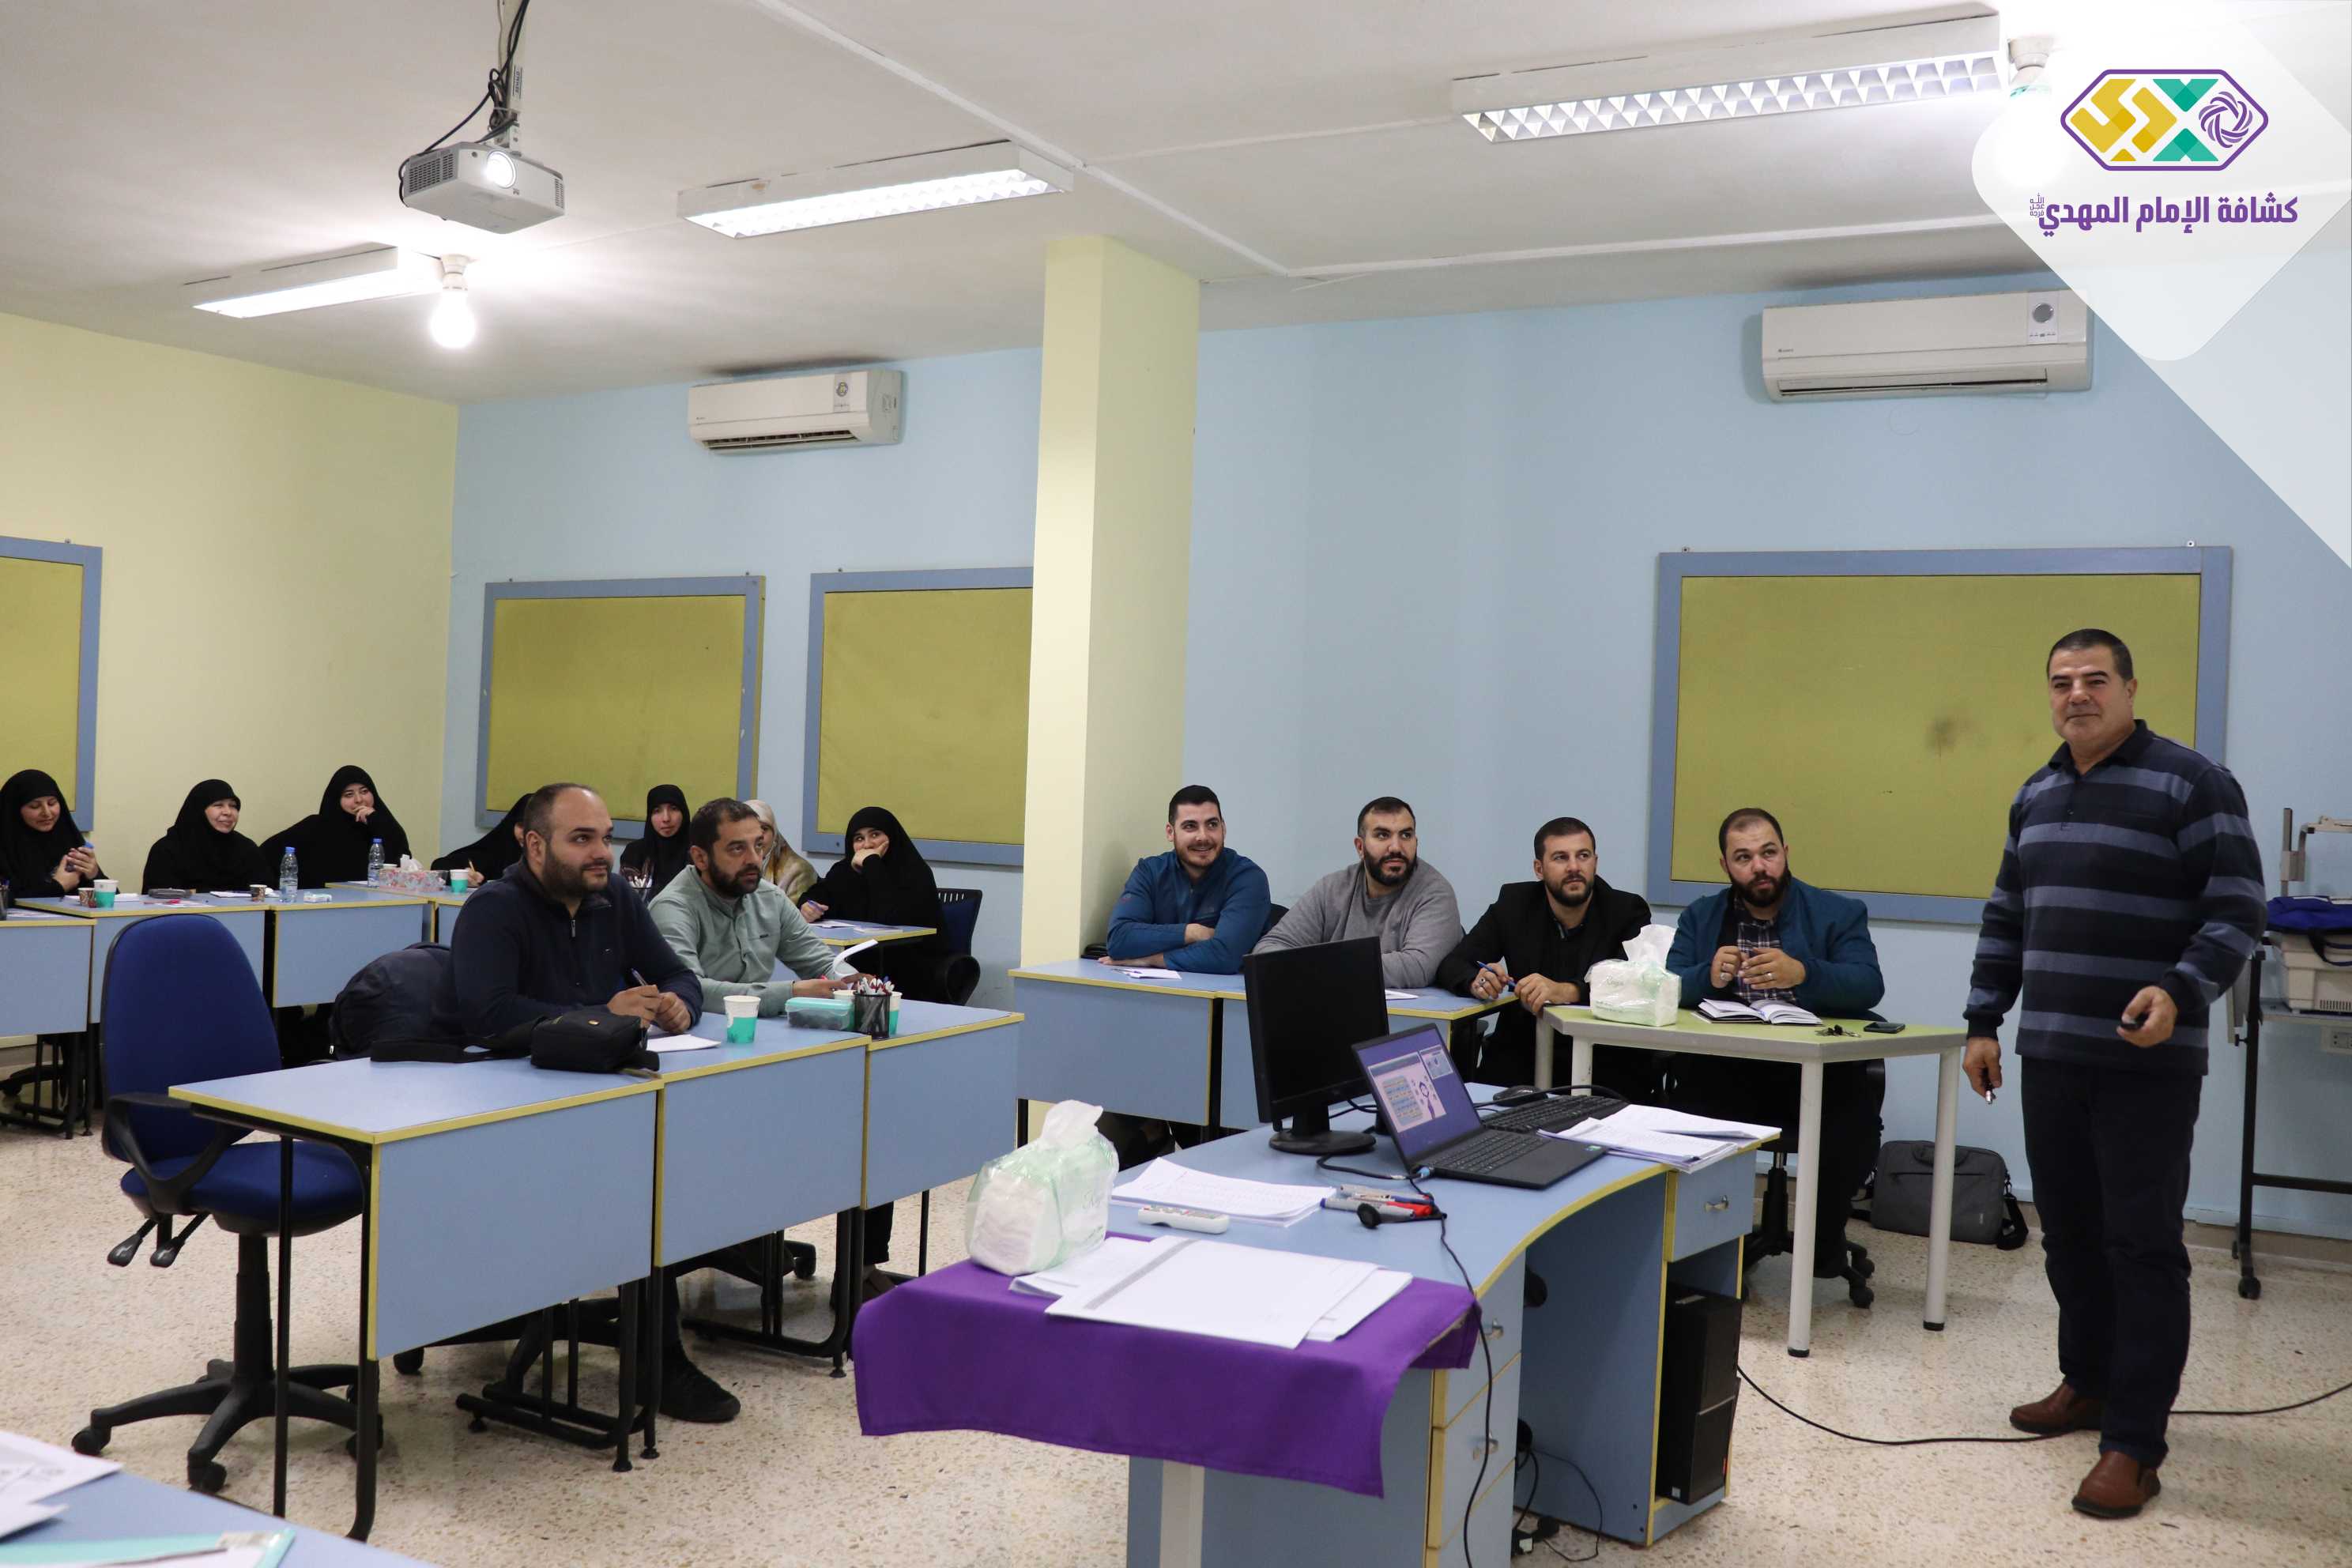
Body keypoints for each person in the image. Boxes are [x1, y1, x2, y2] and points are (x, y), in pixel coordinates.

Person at [1964, 629, 2263, 1521]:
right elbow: (2008, 913)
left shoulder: (2192, 782)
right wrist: (1983, 1020)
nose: (2078, 695)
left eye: (2096, 679)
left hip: (2146, 1063)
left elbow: (2236, 909)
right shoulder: (2037, 792)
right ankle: (2087, 1383)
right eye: (2062, 682)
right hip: (2051, 1053)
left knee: (2142, 1248)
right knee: (2069, 1238)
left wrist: (2180, 988)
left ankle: (2134, 1442)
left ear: (2131, 688)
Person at [440, 782, 731, 1421]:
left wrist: (681, 1004)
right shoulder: (494, 909)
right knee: (645, 1178)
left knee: (672, 1161)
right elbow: (490, 1017)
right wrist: (601, 1013)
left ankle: (657, 1348)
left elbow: (676, 972)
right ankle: (659, 1362)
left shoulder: (614, 898)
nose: (602, 852)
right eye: (582, 839)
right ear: (534, 845)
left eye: (605, 837)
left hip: (601, 1093)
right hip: (514, 1107)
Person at [1664, 808, 1886, 1288]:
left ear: (1785, 853)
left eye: (1768, 853)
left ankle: (1824, 1238)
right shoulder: (1701, 916)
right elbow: (1669, 985)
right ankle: (1706, 1248)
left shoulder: (1838, 912)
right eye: (1743, 858)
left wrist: (1804, 972)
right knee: (1680, 1115)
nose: (1759, 867)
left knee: (1854, 1126)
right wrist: (1706, 975)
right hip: (1728, 1069)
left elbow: (1868, 984)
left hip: (1816, 1073)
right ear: (1725, 865)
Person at [1436, 816, 1653, 1090]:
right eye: (1561, 858)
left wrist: (1566, 991)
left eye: (1583, 856)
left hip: (1604, 1064)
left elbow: (1636, 983)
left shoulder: (1627, 911)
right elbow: (1454, 963)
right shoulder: (1514, 905)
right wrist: (1477, 981)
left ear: (1595, 863)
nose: (1574, 867)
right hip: (1522, 1055)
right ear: (1539, 869)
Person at [650, 797, 848, 1015]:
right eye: (737, 849)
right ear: (700, 858)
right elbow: (688, 989)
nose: (754, 859)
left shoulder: (771, 897)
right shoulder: (673, 908)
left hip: (759, 1030)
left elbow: (823, 964)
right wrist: (790, 993)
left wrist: (856, 985)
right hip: (698, 1032)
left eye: (759, 846)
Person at [1252, 796, 1461, 989]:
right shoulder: (1333, 888)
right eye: (1383, 835)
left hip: (1405, 1015)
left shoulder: (1435, 893)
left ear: (1416, 842)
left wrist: (1317, 966)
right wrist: (1325, 967)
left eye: (1406, 835)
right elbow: (1268, 949)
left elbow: (1417, 967)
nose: (1396, 847)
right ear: (1360, 847)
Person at [1102, 786, 1272, 972]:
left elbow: (1225, 956)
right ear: (1170, 832)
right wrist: (1192, 932)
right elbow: (1119, 940)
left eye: (1212, 825)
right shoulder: (1149, 872)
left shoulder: (1247, 877)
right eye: (1190, 826)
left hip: (1224, 990)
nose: (1203, 837)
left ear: (1223, 828)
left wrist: (1153, 959)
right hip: (1158, 988)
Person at [261, 765, 409, 886]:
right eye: (349, 794)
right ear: (336, 799)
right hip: (321, 907)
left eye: (364, 791)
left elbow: (402, 859)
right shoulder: (315, 827)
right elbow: (266, 853)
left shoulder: (383, 826)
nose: (359, 800)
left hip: (377, 905)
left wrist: (376, 820)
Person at [141, 779, 266, 892]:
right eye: (218, 805)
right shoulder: (168, 849)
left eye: (233, 806)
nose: (228, 812)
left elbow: (266, 891)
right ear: (199, 810)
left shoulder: (246, 848)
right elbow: (158, 897)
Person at [1, 769, 102, 899]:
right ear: (15, 810)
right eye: (35, 806)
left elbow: (114, 898)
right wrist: (57, 887)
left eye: (52, 803)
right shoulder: (5, 848)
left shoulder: (68, 838)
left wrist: (94, 875)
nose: (47, 813)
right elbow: (6, 899)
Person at [432, 793, 528, 882]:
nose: (525, 834)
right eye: (521, 825)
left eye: (532, 828)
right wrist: (465, 876)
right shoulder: (499, 849)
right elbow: (440, 866)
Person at [619, 784, 692, 896]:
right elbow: (627, 899)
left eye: (673, 809)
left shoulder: (698, 853)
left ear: (684, 813)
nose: (666, 818)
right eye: (657, 811)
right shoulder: (634, 852)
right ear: (650, 817)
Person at [742, 798, 819, 903]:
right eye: (749, 828)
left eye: (764, 828)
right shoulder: (730, 866)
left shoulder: (797, 871)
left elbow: (789, 913)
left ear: (774, 835)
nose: (758, 835)